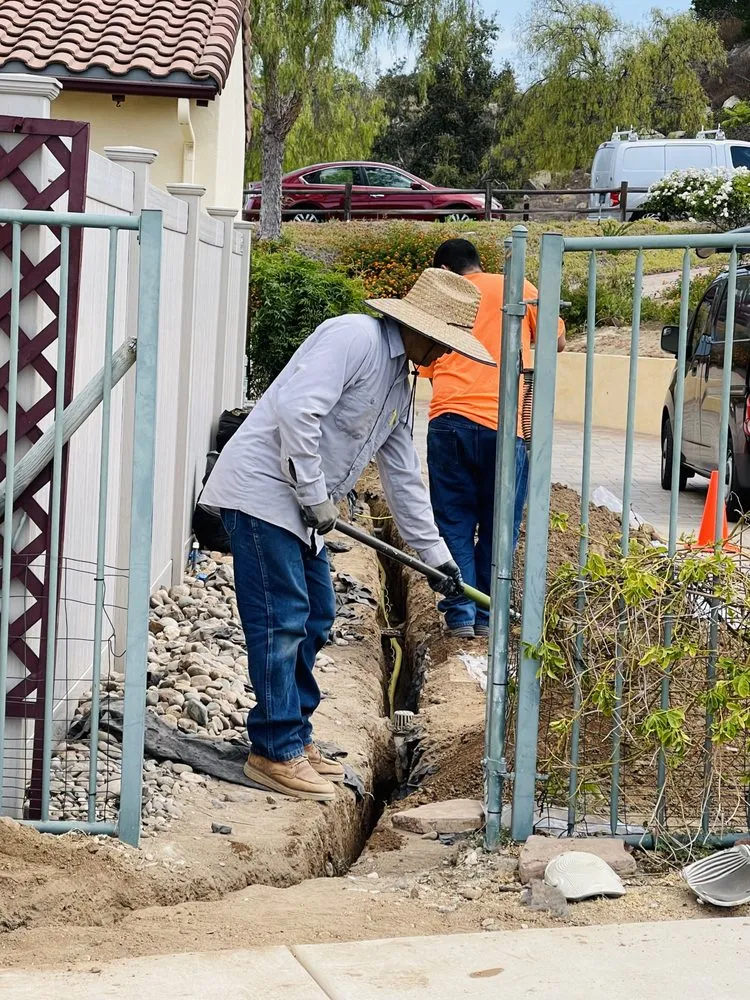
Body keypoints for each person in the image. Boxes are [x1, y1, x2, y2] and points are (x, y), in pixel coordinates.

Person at [200, 268, 494, 802]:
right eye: (445, 346)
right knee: (281, 617)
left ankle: (296, 733)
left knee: (316, 614)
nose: (445, 358)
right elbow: (296, 410)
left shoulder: (398, 388)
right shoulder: (353, 337)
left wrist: (438, 560)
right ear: (423, 330)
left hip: (302, 508)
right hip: (267, 494)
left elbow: (402, 479)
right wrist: (315, 493)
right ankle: (274, 749)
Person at [420, 238, 566, 639]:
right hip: (505, 424)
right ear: (478, 262)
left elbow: (427, 359)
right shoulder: (517, 286)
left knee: (454, 522)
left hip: (449, 420)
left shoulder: (444, 293)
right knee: (501, 523)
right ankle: (489, 616)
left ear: (446, 272)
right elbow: (556, 340)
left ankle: (461, 616)